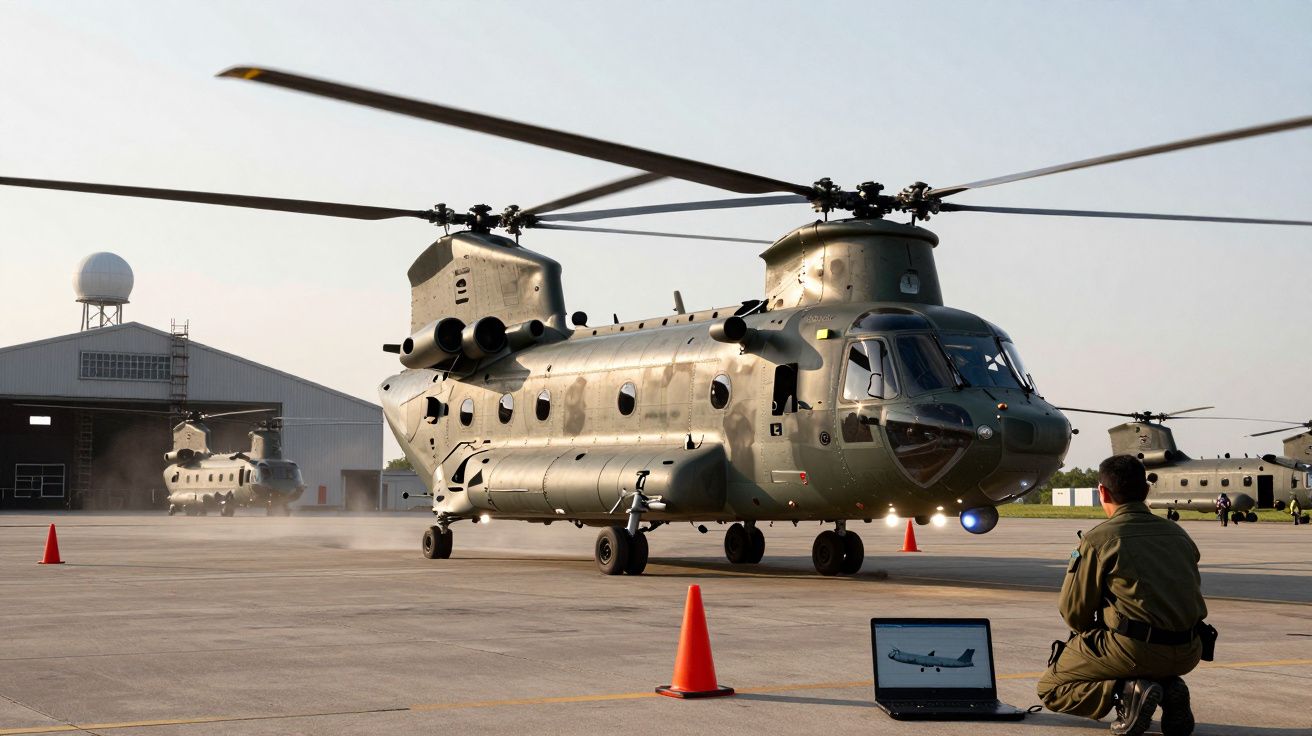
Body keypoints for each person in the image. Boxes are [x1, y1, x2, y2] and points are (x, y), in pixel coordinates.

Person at [1038, 455, 1209, 736]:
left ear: (1102, 492)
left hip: (1134, 650)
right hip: (1189, 650)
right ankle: (1168, 689)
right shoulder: (1178, 533)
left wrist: (1094, 637)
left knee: (1051, 688)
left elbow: (1074, 613)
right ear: (1146, 490)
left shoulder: (1099, 539)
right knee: (1141, 649)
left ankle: (1127, 691)